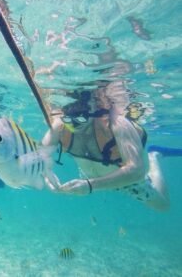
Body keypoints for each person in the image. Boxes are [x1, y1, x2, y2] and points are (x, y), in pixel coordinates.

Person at [42, 80, 170, 211]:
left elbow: (136, 171)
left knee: (162, 206)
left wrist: (90, 186)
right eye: (69, 118)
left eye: (81, 117)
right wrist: (46, 174)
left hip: (126, 181)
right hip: (87, 177)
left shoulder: (118, 124)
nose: (74, 124)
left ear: (95, 107)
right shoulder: (60, 125)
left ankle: (153, 157)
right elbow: (39, 157)